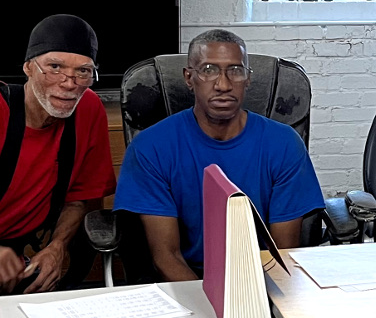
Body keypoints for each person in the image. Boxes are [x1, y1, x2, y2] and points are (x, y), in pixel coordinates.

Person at [113, 29, 324, 281]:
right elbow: (166, 257)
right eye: (208, 70)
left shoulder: (284, 143)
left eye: (235, 70)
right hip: (187, 285)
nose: (223, 85)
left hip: (261, 281)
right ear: (189, 78)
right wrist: (211, 306)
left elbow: (281, 254)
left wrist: (251, 304)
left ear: (248, 79)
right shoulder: (150, 147)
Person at [0, 14, 116, 298]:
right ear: (28, 68)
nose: (69, 83)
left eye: (83, 72)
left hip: (13, 274)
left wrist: (57, 247)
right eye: (55, 67)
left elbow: (80, 197)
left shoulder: (88, 110)